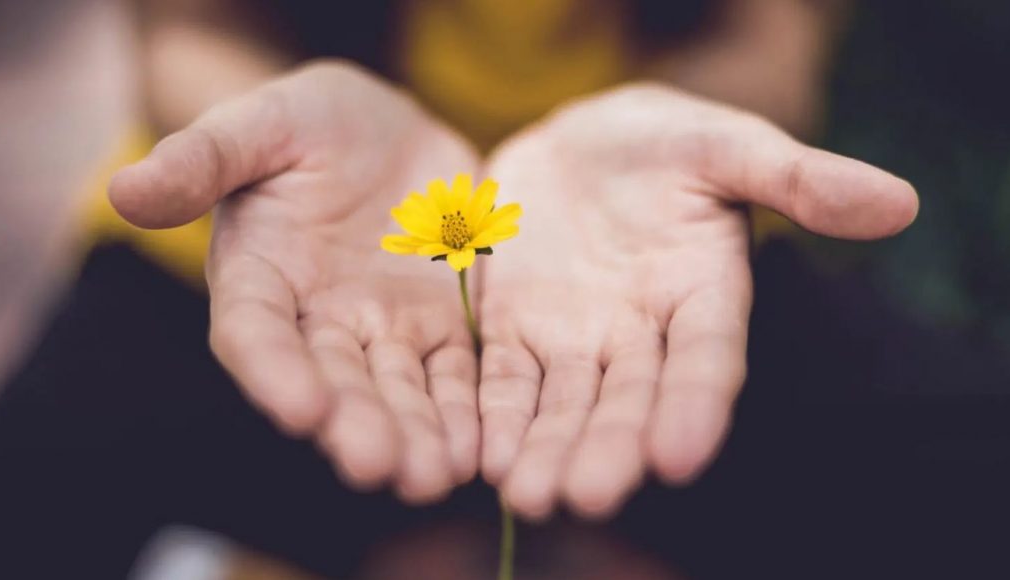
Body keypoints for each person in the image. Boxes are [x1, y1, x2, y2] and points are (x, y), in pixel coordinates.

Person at [106, 0, 916, 519]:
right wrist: (253, 127)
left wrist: (690, 117)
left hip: (655, 248)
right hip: (289, 241)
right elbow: (186, 28)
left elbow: (770, 39)